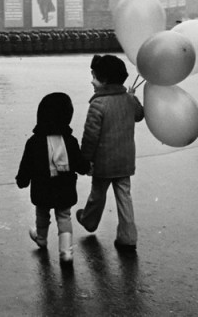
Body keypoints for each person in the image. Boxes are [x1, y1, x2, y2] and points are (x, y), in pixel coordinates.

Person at [76, 55, 144, 253]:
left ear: (104, 81)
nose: (91, 81)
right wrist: (133, 97)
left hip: (103, 163)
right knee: (124, 198)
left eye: (94, 77)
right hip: (125, 161)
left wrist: (84, 160)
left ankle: (89, 221)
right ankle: (128, 236)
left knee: (97, 194)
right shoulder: (128, 100)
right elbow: (139, 115)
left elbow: (90, 137)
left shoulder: (98, 104)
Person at [16, 93, 90, 264]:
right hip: (65, 188)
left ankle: (41, 238)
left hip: (42, 188)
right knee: (64, 216)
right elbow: (80, 163)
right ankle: (66, 252)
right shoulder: (70, 141)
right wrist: (86, 168)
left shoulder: (34, 141)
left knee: (42, 212)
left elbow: (26, 164)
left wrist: (22, 180)